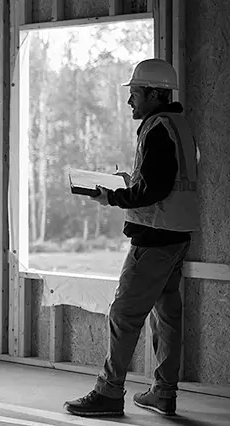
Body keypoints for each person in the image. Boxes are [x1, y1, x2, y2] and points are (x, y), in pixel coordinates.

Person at [64, 58, 199, 418]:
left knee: (124, 315)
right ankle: (163, 393)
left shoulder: (156, 128)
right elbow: (163, 180)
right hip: (176, 235)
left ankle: (109, 393)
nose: (130, 103)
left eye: (136, 94)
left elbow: (153, 190)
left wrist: (113, 196)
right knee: (167, 316)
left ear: (155, 94)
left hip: (154, 239)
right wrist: (130, 182)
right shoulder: (178, 125)